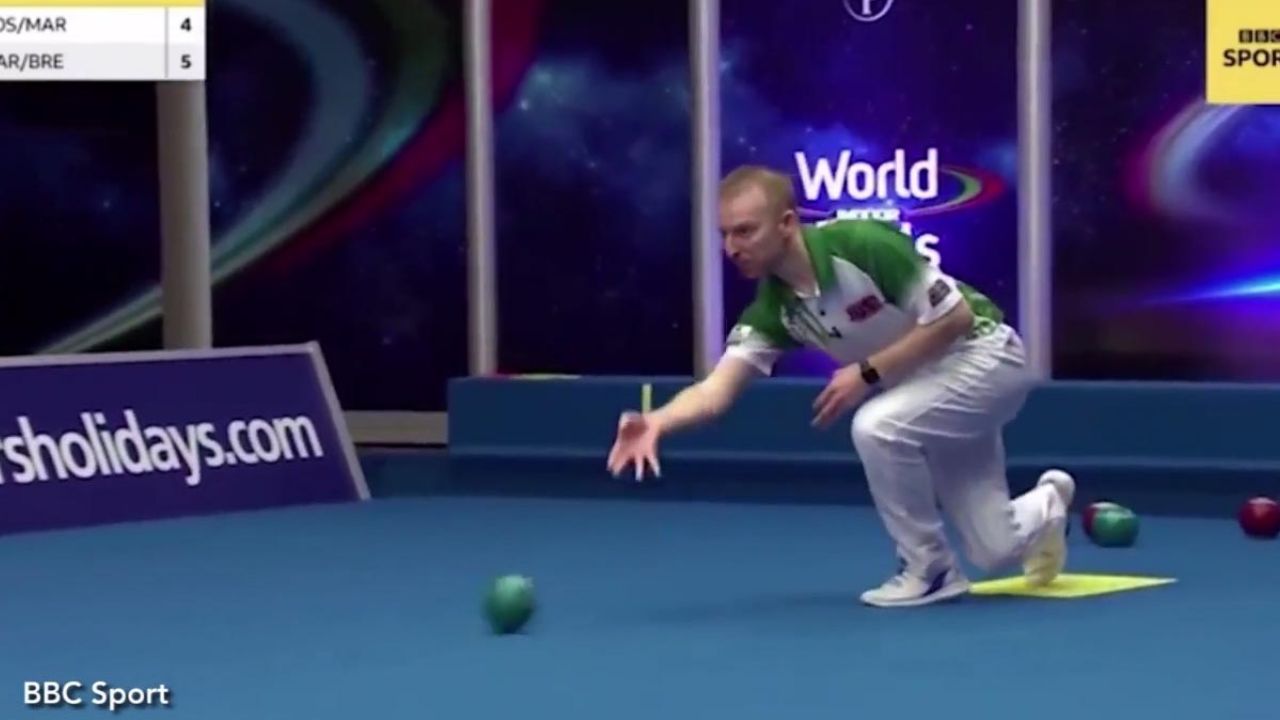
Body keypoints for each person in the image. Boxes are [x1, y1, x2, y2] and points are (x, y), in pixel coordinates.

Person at [606, 165, 1074, 608]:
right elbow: (716, 392)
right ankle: (1049, 504)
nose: (732, 247)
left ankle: (929, 570)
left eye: (745, 231)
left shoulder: (862, 245)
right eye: (725, 234)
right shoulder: (776, 309)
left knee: (877, 426)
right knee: (996, 548)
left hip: (986, 357)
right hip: (929, 395)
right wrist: (657, 422)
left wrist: (868, 372)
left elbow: (955, 318)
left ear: (787, 223)